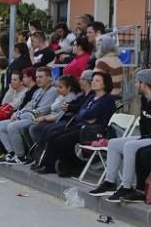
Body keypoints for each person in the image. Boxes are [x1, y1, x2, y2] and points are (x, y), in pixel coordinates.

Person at [32, 71, 116, 176]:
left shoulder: (107, 100)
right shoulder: (91, 97)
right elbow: (82, 113)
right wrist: (84, 114)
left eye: (97, 81)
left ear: (105, 84)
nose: (93, 82)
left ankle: (76, 164)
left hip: (93, 131)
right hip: (81, 126)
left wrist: (84, 114)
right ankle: (53, 164)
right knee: (53, 136)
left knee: (61, 140)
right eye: (93, 80)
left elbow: (90, 114)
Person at [88, 69, 151, 203]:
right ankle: (110, 182)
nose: (134, 85)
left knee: (130, 145)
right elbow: (144, 125)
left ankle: (126, 186)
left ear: (143, 83)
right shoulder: (144, 99)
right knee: (114, 143)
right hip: (146, 137)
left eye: (136, 82)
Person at [0, 66, 57, 164]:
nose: (38, 79)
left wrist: (20, 116)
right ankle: (12, 152)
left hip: (39, 119)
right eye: (37, 77)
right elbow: (29, 106)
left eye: (41, 77)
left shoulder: (52, 91)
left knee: (13, 126)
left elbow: (42, 111)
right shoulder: (38, 90)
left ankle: (20, 156)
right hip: (28, 116)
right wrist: (17, 113)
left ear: (49, 77)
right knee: (0, 125)